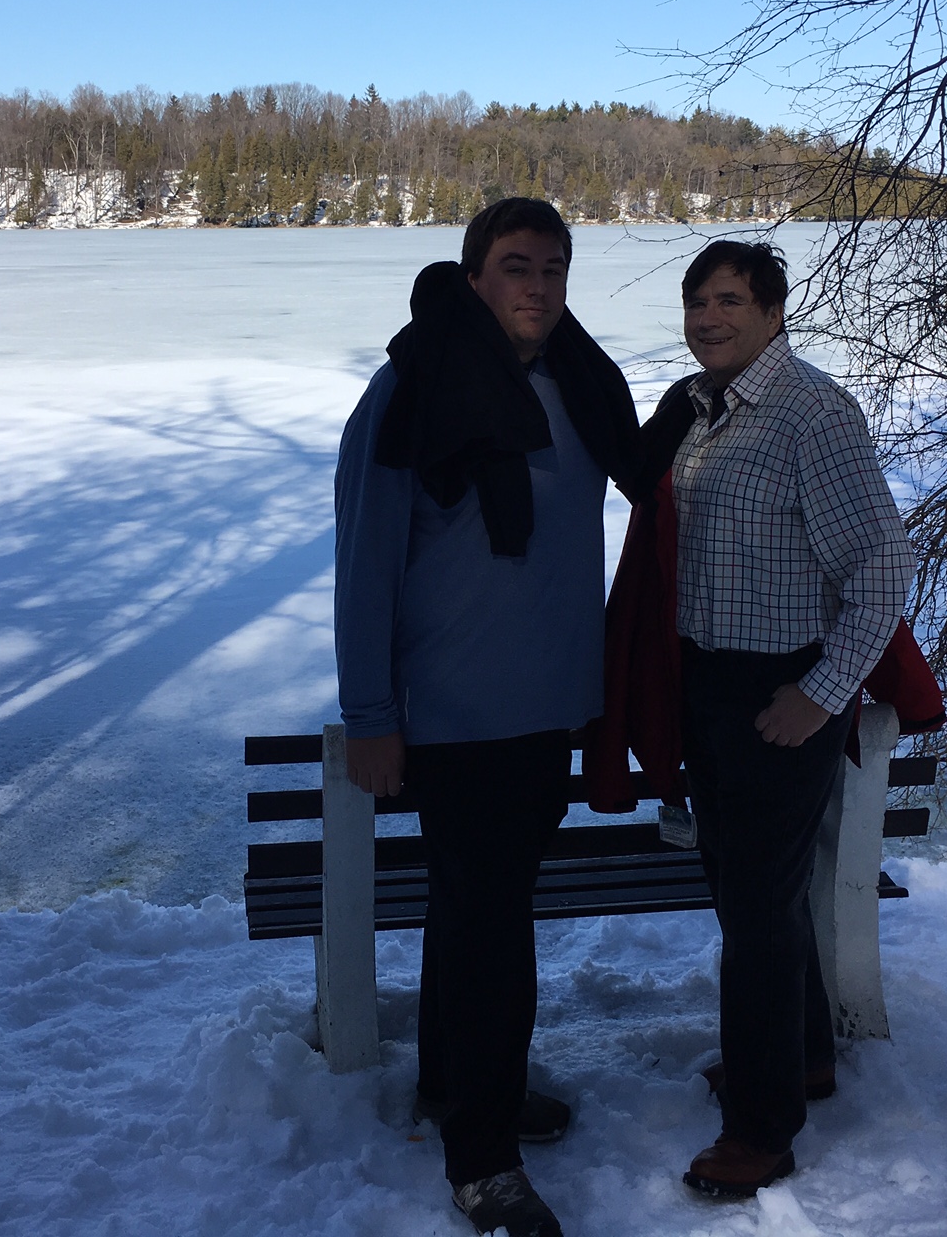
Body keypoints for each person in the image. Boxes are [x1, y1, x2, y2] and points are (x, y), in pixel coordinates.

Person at [333, 198, 639, 1237]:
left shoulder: (579, 387)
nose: (540, 288)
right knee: (492, 935)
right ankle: (484, 1157)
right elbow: (366, 564)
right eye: (517, 267)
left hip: (548, 712)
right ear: (473, 278)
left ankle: (455, 1085)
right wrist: (372, 714)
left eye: (555, 268)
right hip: (459, 721)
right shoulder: (410, 393)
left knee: (476, 923)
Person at [667, 240, 916, 1198]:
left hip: (780, 693)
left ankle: (763, 1129)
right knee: (749, 897)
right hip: (716, 690)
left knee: (760, 917)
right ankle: (804, 1054)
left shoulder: (812, 413)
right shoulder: (708, 411)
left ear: (774, 313)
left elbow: (884, 565)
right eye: (696, 301)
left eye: (729, 300)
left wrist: (821, 694)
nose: (707, 317)